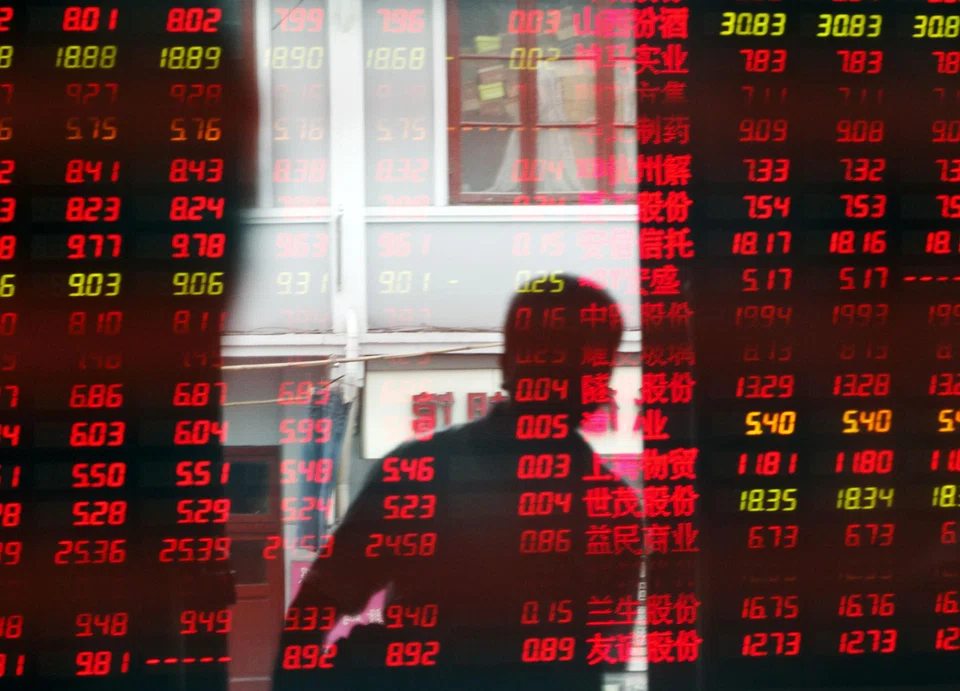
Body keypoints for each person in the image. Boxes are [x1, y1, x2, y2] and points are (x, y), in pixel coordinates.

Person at [273, 275, 643, 691]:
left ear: (507, 364)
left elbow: (312, 615)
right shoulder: (614, 508)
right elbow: (602, 648)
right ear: (600, 387)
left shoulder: (419, 471)